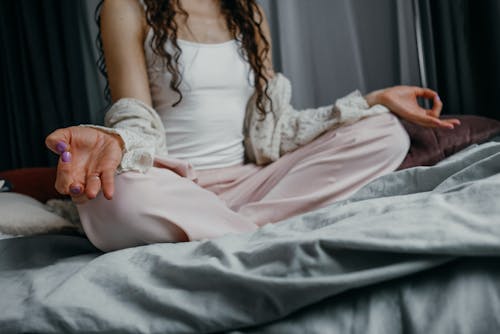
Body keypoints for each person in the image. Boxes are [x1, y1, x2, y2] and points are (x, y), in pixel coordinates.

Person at [45, 0, 460, 252]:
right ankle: (254, 227)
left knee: (384, 131)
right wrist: (117, 141)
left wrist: (371, 100)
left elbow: (276, 129)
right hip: (177, 185)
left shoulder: (249, 14)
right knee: (111, 197)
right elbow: (135, 115)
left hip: (254, 182)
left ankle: (224, 226)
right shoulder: (128, 7)